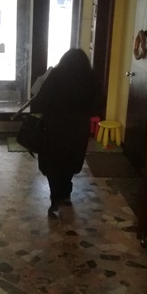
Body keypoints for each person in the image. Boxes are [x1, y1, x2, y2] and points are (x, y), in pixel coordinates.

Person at [30, 48, 98, 218]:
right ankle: (66, 193)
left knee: (53, 164)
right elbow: (97, 105)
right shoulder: (90, 78)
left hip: (53, 128)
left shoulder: (55, 75)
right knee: (70, 163)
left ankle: (56, 199)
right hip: (78, 130)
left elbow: (40, 102)